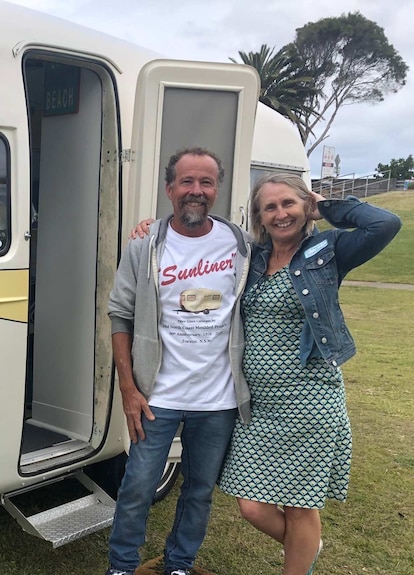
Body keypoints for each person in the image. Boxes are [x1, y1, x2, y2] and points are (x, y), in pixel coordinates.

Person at [217, 173, 402, 574]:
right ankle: (306, 548)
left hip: (310, 400)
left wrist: (329, 207)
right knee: (251, 505)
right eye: (270, 207)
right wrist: (151, 230)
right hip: (260, 406)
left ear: (305, 208)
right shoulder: (255, 257)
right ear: (259, 217)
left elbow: (385, 224)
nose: (280, 213)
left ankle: (297, 564)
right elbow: (203, 245)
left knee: (300, 506)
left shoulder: (329, 249)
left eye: (289, 203)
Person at [106, 147, 253, 575]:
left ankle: (179, 563)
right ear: (170, 189)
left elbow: (291, 235)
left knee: (199, 490)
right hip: (158, 395)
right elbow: (120, 314)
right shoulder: (144, 245)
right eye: (187, 182)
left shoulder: (241, 244)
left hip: (218, 398)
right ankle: (121, 566)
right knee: (136, 486)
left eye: (206, 182)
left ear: (217, 189)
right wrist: (129, 389)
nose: (196, 191)